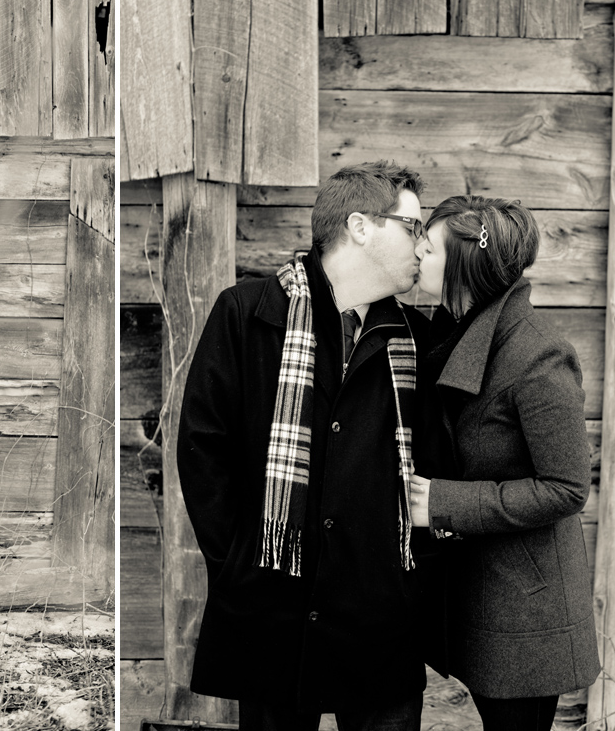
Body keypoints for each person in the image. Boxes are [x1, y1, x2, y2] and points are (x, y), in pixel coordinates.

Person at [177, 161, 446, 730]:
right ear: (360, 226)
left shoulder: (418, 342)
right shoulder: (247, 313)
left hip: (381, 617)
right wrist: (240, 565)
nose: (423, 247)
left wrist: (409, 585)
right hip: (272, 606)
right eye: (413, 228)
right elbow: (204, 449)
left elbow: (438, 461)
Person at [410, 195, 601, 731]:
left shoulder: (539, 355)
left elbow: (566, 488)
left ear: (466, 264)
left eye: (430, 246)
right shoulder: (457, 330)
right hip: (482, 587)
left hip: (526, 603)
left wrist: (444, 502)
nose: (418, 252)